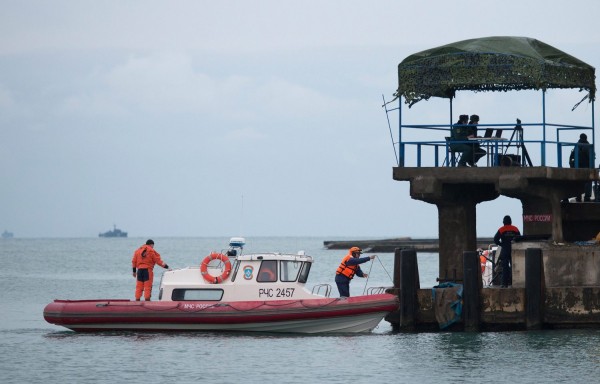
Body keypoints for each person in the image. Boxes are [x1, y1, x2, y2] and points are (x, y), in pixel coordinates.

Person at [493, 215, 521, 288]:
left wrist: (501, 244)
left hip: (505, 250)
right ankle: (513, 283)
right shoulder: (515, 229)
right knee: (514, 267)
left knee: (505, 267)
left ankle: (504, 284)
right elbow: (520, 239)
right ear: (511, 222)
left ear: (503, 222)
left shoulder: (501, 229)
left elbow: (495, 239)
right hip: (513, 250)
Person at [569, 133, 593, 201]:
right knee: (588, 180)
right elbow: (590, 156)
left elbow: (572, 156)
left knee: (578, 182)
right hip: (586, 167)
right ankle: (587, 197)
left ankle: (578, 197)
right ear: (586, 138)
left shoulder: (576, 145)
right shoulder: (587, 146)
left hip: (577, 167)